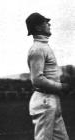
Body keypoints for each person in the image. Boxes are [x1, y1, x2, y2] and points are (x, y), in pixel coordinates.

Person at [26, 12, 70, 140]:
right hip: (45, 101)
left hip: (50, 100)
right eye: (46, 22)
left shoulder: (43, 47)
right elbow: (37, 80)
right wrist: (62, 87)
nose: (49, 24)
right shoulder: (38, 49)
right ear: (38, 27)